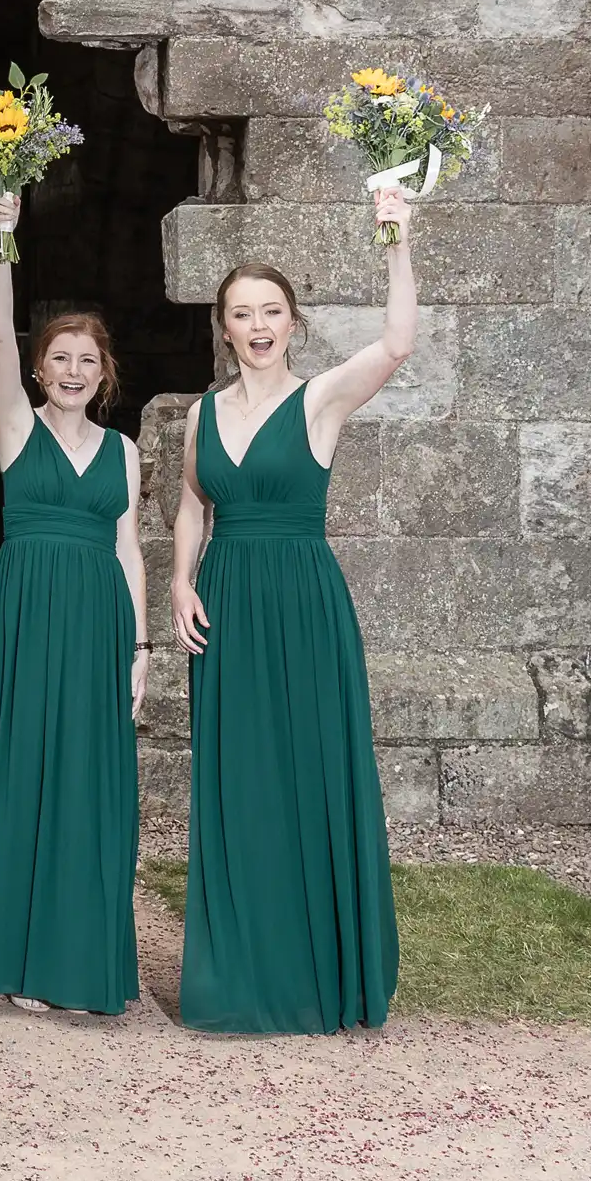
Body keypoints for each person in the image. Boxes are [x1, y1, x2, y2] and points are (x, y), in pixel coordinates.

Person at [168, 186, 417, 1034]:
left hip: (304, 608)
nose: (260, 324)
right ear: (225, 327)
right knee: (239, 786)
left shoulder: (320, 401)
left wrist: (396, 234)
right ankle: (240, 973)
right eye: (243, 313)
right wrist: (178, 581)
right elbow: (193, 504)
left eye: (272, 310)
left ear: (292, 321)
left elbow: (396, 342)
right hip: (228, 609)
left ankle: (318, 972)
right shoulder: (203, 413)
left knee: (309, 777)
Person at [0, 194, 147, 1016]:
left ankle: (83, 956)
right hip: (27, 613)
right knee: (29, 773)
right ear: (40, 370)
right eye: (60, 358)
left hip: (101, 619)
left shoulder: (125, 452)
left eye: (87, 360)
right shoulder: (15, 426)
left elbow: (128, 548)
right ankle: (22, 959)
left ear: (102, 373)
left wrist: (141, 649)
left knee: (92, 784)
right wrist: (0, 239)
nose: (72, 370)